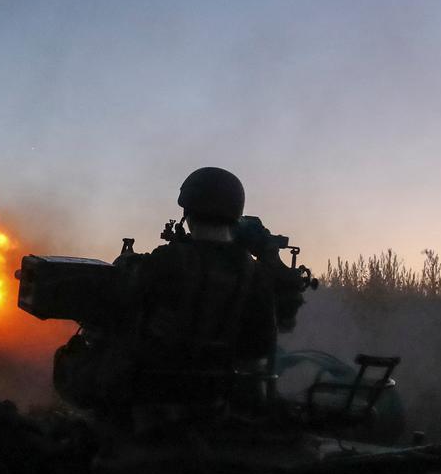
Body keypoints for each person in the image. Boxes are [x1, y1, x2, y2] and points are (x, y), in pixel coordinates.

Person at [53, 166, 277, 438]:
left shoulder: (163, 262)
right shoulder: (252, 274)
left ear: (188, 212)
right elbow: (258, 350)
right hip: (214, 398)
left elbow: (113, 311)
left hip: (147, 395)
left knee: (73, 357)